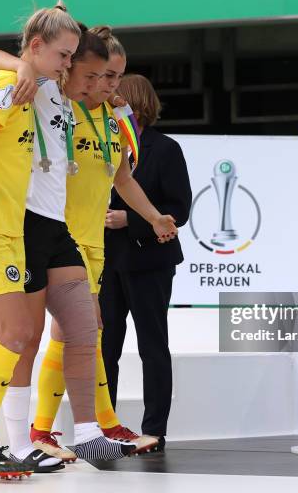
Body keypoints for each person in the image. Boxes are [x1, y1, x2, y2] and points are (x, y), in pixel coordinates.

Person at [0, 9, 142, 467]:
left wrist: (111, 95)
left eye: (106, 77)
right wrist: (20, 64)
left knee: (85, 324)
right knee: (14, 337)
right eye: (88, 72)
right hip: (17, 224)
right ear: (52, 56)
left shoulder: (78, 101)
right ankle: (10, 441)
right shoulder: (37, 83)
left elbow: (118, 170)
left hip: (56, 226)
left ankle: (85, 431)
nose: (95, 83)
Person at [0, 0, 82, 479]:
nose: (68, 65)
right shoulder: (9, 85)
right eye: (63, 55)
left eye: (73, 57)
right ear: (37, 47)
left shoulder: (37, 86)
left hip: (10, 229)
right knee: (20, 333)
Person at [34, 26, 175, 455]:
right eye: (102, 76)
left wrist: (153, 218)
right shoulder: (60, 106)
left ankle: (80, 427)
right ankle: (54, 430)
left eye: (115, 78)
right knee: (74, 333)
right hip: (59, 237)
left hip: (93, 243)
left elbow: (122, 177)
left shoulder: (116, 117)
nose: (110, 86)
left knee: (79, 335)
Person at [100, 74, 192, 453]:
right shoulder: (101, 146)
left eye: (117, 99)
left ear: (136, 106)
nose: (109, 103)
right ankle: (103, 427)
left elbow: (179, 210)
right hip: (105, 260)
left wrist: (131, 219)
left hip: (149, 260)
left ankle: (153, 429)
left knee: (152, 345)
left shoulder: (165, 149)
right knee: (105, 346)